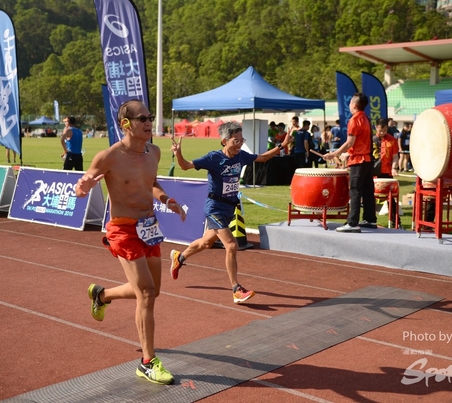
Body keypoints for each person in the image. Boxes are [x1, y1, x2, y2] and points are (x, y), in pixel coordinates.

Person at [75, 99, 186, 385]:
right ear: (126, 124)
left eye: (150, 117)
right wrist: (83, 186)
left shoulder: (154, 152)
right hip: (123, 230)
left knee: (152, 290)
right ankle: (148, 362)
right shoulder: (109, 156)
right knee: (146, 292)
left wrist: (167, 200)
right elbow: (85, 182)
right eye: (142, 119)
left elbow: (151, 183)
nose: (149, 122)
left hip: (149, 227)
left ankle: (102, 295)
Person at [169, 121, 292, 303]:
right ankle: (236, 289)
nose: (239, 144)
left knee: (205, 243)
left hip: (229, 208)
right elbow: (185, 166)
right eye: (236, 141)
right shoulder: (213, 158)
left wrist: (281, 146)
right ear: (224, 141)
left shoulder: (241, 156)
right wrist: (178, 154)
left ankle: (179, 257)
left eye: (242, 140)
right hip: (214, 207)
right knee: (232, 245)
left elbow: (263, 158)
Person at [324, 93, 376, 232]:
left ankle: (352, 223)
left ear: (354, 104)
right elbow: (361, 142)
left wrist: (334, 154)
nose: (349, 104)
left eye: (350, 102)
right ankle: (370, 219)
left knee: (355, 191)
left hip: (358, 161)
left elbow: (350, 142)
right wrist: (348, 153)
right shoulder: (366, 118)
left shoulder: (354, 120)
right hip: (367, 159)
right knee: (367, 190)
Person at [372, 118, 400, 226]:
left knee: (391, 198)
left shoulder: (392, 140)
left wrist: (394, 168)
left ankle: (396, 221)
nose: (382, 133)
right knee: (371, 197)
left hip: (387, 172)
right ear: (376, 128)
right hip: (373, 172)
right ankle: (371, 220)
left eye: (384, 130)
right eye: (380, 130)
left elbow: (395, 157)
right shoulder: (371, 139)